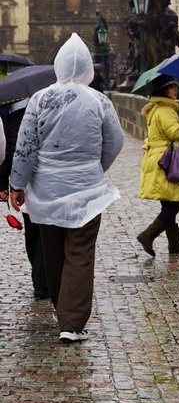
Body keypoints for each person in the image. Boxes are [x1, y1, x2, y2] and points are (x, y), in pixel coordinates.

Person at [9, 33, 124, 344]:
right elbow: (115, 142)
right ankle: (71, 322)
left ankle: (64, 311)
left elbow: (26, 146)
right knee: (80, 252)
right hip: (86, 189)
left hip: (45, 189)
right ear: (89, 69)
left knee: (53, 250)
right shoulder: (99, 100)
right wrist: (95, 168)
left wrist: (17, 184)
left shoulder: (39, 99)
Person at [137, 74, 179, 256]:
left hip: (158, 158)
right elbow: (176, 133)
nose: (175, 90)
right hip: (165, 161)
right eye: (172, 87)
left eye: (176, 87)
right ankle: (148, 235)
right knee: (174, 204)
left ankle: (175, 243)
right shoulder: (164, 110)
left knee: (168, 202)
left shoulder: (157, 108)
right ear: (164, 89)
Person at [0, 99, 48, 299]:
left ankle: (40, 280)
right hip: (45, 178)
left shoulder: (9, 112)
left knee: (33, 229)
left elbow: (7, 151)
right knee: (45, 231)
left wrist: (7, 183)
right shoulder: (46, 108)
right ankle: (42, 282)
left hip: (25, 180)